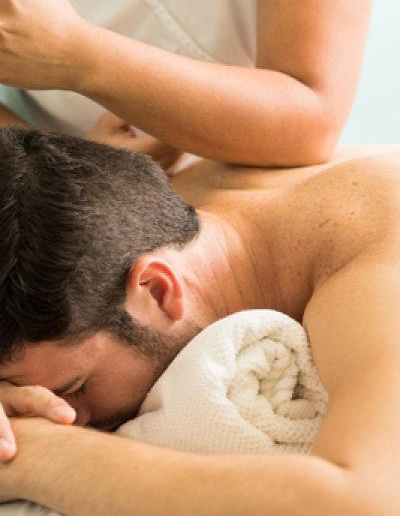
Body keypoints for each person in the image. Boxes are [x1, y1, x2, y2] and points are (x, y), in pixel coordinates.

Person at [0, 127, 400, 515]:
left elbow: (367, 500)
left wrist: (31, 451)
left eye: (76, 388)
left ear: (158, 290)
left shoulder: (375, 267)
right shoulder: (114, 206)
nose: (65, 413)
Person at [0, 0, 385, 168]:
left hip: (249, 190)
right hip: (37, 178)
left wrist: (79, 57)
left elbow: (311, 122)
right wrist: (63, 161)